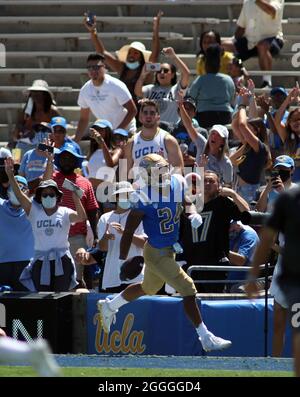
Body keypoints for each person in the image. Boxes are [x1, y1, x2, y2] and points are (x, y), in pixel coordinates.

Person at [97, 154, 232, 353]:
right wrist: (121, 260)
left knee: (147, 288)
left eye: (164, 168)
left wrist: (192, 212)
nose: (165, 173)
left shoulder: (176, 182)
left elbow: (186, 201)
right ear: (149, 175)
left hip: (169, 251)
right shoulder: (143, 196)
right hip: (155, 253)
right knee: (188, 288)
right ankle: (205, 337)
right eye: (159, 170)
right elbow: (128, 231)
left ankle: (109, 306)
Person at [5, 159, 87, 292]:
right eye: (45, 194)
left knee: (61, 298)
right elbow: (20, 196)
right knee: (42, 299)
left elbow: (81, 217)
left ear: (57, 196)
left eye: (51, 194)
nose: (48, 197)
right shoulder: (34, 211)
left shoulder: (65, 212)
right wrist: (10, 176)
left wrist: (76, 198)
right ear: (40, 197)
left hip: (62, 261)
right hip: (41, 261)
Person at [246, 185, 300, 376]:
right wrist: (252, 276)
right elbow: (267, 239)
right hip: (290, 277)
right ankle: (276, 366)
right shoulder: (289, 199)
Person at [180, 170, 249, 293]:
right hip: (190, 266)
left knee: (212, 303)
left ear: (219, 185)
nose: (207, 183)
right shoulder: (189, 204)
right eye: (204, 181)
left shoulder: (224, 203)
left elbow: (246, 215)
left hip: (215, 267)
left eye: (211, 181)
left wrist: (233, 194)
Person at [43, 145, 99, 288]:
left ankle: (75, 308)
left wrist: (96, 235)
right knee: (53, 277)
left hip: (77, 237)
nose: (66, 161)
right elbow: (43, 184)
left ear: (76, 161)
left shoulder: (85, 182)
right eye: (63, 158)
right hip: (53, 235)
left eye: (70, 158)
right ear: (58, 160)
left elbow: (92, 211)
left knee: (76, 279)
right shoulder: (52, 179)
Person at [76, 181, 146, 293]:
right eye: (124, 195)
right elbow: (103, 248)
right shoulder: (105, 218)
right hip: (112, 277)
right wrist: (106, 237)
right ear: (117, 197)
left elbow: (144, 244)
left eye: (129, 195)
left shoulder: (139, 216)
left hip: (135, 275)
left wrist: (126, 233)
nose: (127, 198)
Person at [84, 11, 162, 105]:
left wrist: (156, 29)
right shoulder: (122, 68)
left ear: (141, 57)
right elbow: (102, 53)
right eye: (130, 52)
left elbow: (155, 54)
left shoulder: (146, 69)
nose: (131, 55)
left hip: (143, 112)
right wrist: (93, 31)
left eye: (136, 53)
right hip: (125, 110)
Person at [75, 53, 137, 142]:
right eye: (89, 67)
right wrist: (76, 141)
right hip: (104, 134)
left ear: (104, 67)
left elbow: (132, 110)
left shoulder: (115, 85)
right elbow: (84, 119)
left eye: (96, 67)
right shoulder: (85, 90)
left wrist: (118, 132)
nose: (92, 70)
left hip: (125, 132)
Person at [230, 88, 272, 204]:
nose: (245, 131)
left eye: (250, 128)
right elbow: (236, 125)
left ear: (257, 131)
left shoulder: (261, 147)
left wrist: (243, 105)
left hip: (250, 192)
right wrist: (241, 100)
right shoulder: (247, 145)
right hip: (238, 188)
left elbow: (242, 125)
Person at [232, 0, 284, 88]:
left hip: (272, 40)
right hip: (250, 41)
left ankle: (267, 81)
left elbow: (272, 11)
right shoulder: (247, 2)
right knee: (227, 48)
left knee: (262, 46)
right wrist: (233, 41)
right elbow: (241, 26)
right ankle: (240, 73)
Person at [123, 99, 184, 174]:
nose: (148, 116)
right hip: (139, 184)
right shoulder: (131, 143)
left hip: (162, 183)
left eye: (152, 113)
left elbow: (179, 170)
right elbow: (124, 174)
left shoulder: (168, 140)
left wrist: (166, 166)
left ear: (158, 117)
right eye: (145, 113)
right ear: (140, 117)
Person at [134, 46, 190, 126]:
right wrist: (142, 75)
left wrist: (173, 56)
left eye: (166, 70)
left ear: (173, 75)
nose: (162, 73)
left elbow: (186, 74)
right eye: (159, 71)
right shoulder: (150, 88)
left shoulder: (177, 88)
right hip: (153, 128)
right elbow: (137, 92)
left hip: (171, 129)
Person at [189, 44, 235, 129]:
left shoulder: (200, 80)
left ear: (206, 65)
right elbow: (232, 99)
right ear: (219, 65)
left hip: (204, 116)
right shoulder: (228, 79)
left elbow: (191, 97)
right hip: (225, 116)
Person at [0, 175, 34, 290]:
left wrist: (49, 162)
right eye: (12, 188)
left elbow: (46, 181)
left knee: (23, 303)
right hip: (2, 264)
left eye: (20, 188)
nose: (16, 191)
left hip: (25, 264)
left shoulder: (33, 207)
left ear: (28, 192)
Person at [13, 79, 60, 155]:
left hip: (46, 147)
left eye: (39, 93)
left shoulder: (53, 112)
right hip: (26, 144)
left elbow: (59, 131)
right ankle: (17, 166)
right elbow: (18, 128)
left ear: (45, 95)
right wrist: (22, 131)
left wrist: (42, 130)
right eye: (34, 93)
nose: (36, 96)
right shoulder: (26, 110)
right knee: (16, 150)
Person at [273, 86, 300, 182]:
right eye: (294, 120)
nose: (297, 122)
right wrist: (288, 100)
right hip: (291, 182)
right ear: (289, 123)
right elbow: (277, 121)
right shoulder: (287, 137)